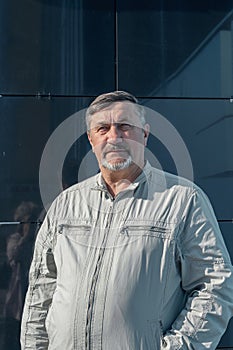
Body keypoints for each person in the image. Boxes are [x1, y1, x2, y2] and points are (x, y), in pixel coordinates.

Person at [21, 91, 233, 349]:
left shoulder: (183, 200)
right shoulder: (66, 204)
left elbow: (215, 286)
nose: (114, 137)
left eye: (124, 127)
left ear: (144, 134)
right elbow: (41, 292)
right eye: (103, 129)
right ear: (91, 139)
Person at [4, 201, 40, 350]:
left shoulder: (37, 241)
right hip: (16, 292)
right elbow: (14, 255)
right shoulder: (14, 239)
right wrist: (25, 236)